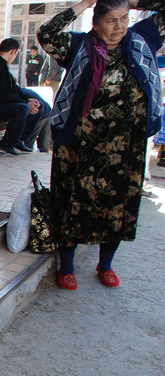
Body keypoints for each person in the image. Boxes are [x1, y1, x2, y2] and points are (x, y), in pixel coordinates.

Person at [38, 0, 164, 290]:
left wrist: (135, 1)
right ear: (96, 23)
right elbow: (46, 33)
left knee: (118, 207)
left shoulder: (143, 36)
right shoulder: (79, 45)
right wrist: (84, 4)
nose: (118, 26)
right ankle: (66, 266)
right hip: (80, 146)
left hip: (125, 147)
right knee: (72, 204)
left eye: (123, 18)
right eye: (110, 20)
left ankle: (105, 265)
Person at [0, 38, 52, 155]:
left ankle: (21, 140)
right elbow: (1, 94)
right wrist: (25, 104)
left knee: (37, 106)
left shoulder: (2, 65)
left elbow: (15, 89)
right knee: (23, 108)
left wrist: (28, 100)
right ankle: (7, 142)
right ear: (13, 52)